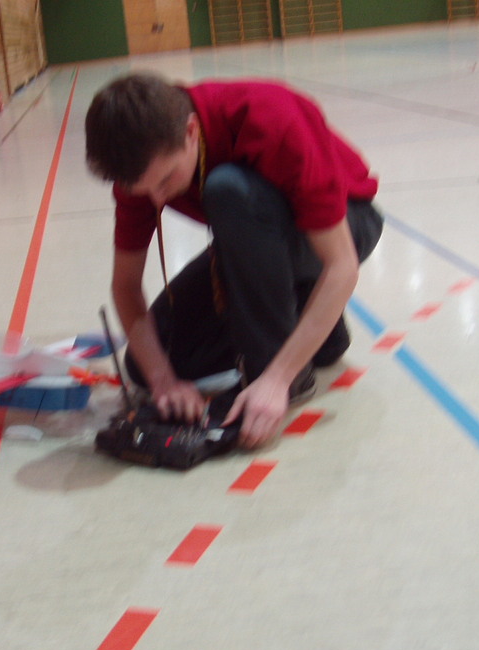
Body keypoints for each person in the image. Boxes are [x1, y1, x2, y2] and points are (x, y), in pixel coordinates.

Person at [85, 73, 383, 449]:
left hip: (345, 225)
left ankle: (284, 370)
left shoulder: (270, 117)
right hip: (255, 240)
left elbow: (341, 266)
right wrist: (163, 381)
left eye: (165, 180)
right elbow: (126, 285)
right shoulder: (140, 171)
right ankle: (314, 325)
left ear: (191, 131)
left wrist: (275, 378)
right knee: (146, 363)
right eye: (143, 191)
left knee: (227, 190)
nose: (157, 199)